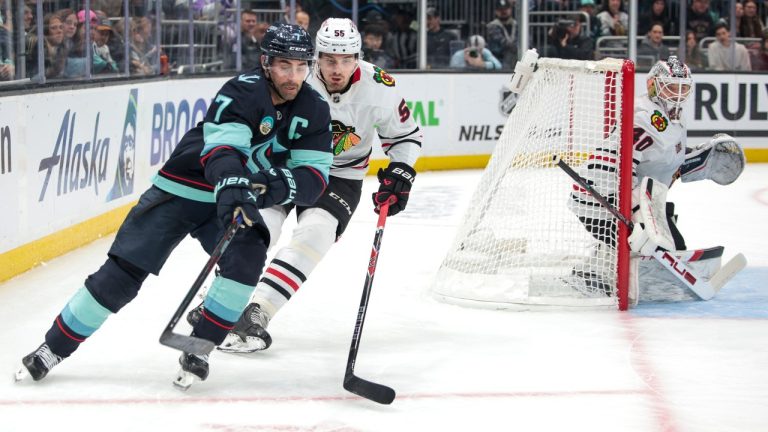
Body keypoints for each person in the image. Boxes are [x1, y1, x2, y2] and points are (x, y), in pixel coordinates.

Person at [15, 23, 333, 385]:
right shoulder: (242, 92)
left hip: (235, 196)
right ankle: (52, 347)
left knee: (247, 259)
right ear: (265, 62)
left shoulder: (314, 108)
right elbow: (222, 152)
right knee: (121, 277)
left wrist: (268, 186)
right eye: (283, 66)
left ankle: (199, 347)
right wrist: (235, 190)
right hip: (181, 189)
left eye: (300, 66)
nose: (293, 76)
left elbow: (313, 179)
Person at [187, 18, 421, 354]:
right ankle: (220, 301)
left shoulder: (380, 86)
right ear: (316, 56)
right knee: (260, 227)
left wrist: (402, 171)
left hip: (340, 173)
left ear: (358, 56)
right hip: (284, 162)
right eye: (328, 59)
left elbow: (406, 136)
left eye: (346, 59)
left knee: (316, 233)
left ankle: (259, 310)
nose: (337, 69)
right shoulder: (296, 75)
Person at [568, 56, 745, 301]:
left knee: (671, 246)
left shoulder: (674, 116)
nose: (678, 93)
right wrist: (637, 213)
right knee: (656, 247)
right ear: (653, 85)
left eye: (683, 87)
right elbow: (620, 164)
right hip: (601, 198)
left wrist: (696, 160)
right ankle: (592, 275)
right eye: (671, 86)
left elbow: (664, 159)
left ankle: (600, 265)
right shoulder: (644, 117)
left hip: (634, 196)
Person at [486, 0, 518, 69]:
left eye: (506, 9)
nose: (504, 11)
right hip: (498, 57)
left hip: (516, 56)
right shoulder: (492, 26)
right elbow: (502, 43)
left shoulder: (517, 25)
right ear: (496, 11)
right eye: (500, 9)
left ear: (511, 9)